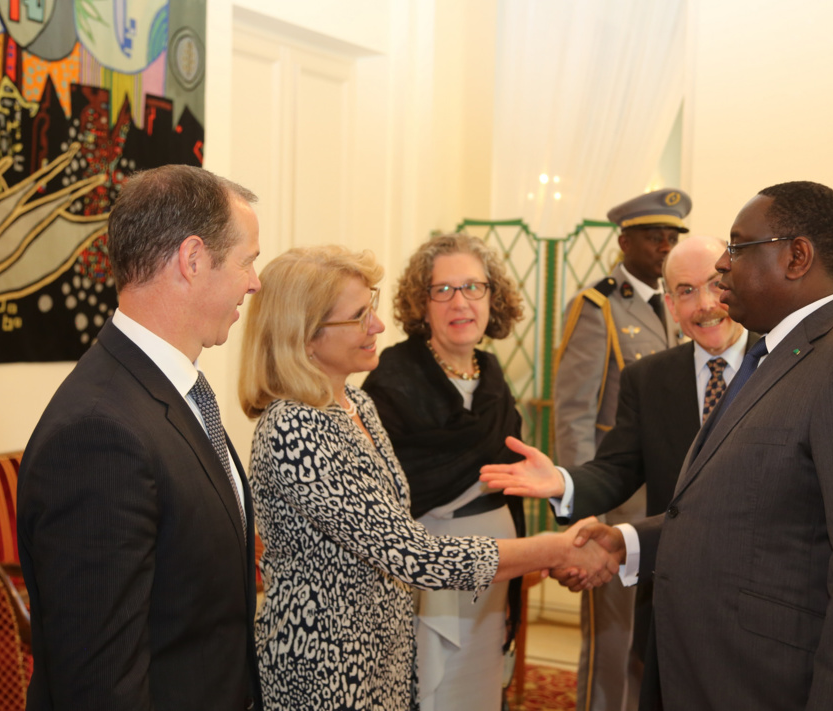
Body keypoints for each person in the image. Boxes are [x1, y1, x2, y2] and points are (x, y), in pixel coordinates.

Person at [485, 181, 833, 711]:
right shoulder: (781, 355)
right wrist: (627, 542)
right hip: (720, 672)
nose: (723, 267)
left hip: (778, 682)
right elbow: (752, 517)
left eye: (738, 247)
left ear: (796, 257)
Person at [238, 245, 618, 711]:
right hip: (327, 664)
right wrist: (555, 548)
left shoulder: (356, 405)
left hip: (385, 655)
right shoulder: (294, 426)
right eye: (360, 317)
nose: (377, 327)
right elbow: (412, 552)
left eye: (372, 311)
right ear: (306, 335)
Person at [17, 165, 265, 710]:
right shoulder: (100, 434)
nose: (255, 281)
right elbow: (100, 684)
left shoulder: (169, 390)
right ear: (193, 259)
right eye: (248, 260)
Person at [361, 233, 525, 711]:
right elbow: (381, 492)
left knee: (477, 689)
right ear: (422, 302)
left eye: (473, 287)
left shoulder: (493, 376)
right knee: (432, 691)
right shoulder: (394, 377)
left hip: (495, 564)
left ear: (492, 298)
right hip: (424, 566)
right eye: (443, 290)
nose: (461, 302)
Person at [552, 187, 689, 711]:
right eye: (655, 235)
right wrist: (583, 512)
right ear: (624, 239)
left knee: (657, 636)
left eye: (672, 236)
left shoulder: (678, 304)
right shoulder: (598, 306)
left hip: (668, 502)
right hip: (619, 504)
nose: (664, 245)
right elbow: (574, 414)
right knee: (615, 640)